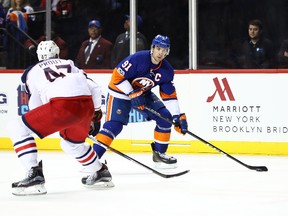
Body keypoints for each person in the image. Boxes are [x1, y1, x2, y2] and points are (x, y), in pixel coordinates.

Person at [7, 40, 113, 196]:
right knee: (71, 144)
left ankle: (33, 173)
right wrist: (95, 114)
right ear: (57, 53)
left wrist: (49, 121)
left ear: (38, 56)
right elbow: (94, 87)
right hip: (86, 105)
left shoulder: (31, 71)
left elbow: (34, 103)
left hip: (62, 106)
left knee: (17, 127)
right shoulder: (70, 64)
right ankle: (99, 172)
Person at [92, 34, 188, 169]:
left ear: (168, 52)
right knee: (114, 126)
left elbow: (169, 95)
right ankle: (92, 160)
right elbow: (116, 77)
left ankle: (159, 154)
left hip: (143, 93)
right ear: (153, 48)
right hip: (119, 93)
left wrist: (177, 116)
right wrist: (131, 93)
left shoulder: (166, 70)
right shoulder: (138, 59)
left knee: (165, 118)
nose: (161, 52)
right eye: (158, 48)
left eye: (164, 50)